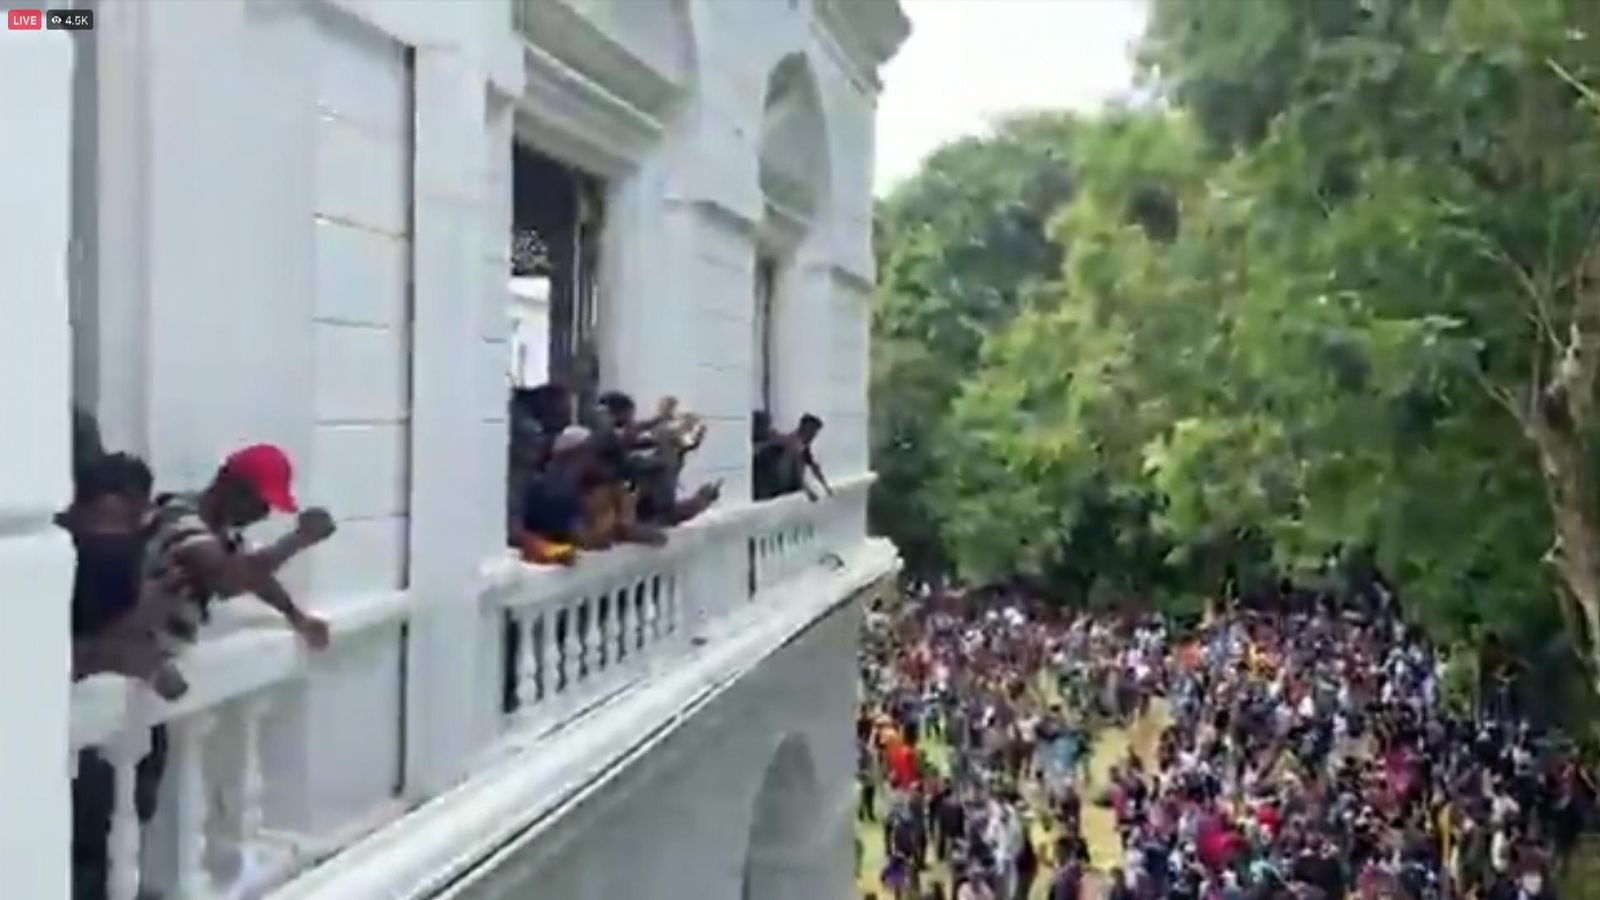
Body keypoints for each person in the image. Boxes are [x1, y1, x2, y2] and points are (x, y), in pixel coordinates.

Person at [145, 444, 334, 651]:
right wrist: (299, 539)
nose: (263, 515)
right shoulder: (179, 516)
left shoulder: (221, 529)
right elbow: (232, 577)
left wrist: (297, 618)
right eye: (261, 504)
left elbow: (257, 578)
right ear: (233, 487)